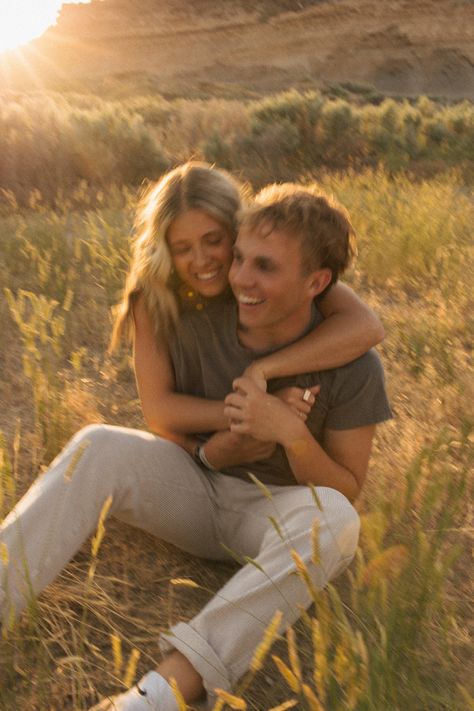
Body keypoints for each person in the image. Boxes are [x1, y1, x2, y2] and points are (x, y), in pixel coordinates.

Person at [0, 166, 388, 710]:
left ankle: (160, 694)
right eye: (237, 260)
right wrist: (229, 434)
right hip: (196, 485)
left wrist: (289, 432)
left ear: (315, 282)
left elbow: (346, 486)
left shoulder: (342, 347)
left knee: (336, 522)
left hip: (271, 513)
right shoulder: (183, 304)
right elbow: (161, 415)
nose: (232, 273)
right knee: (98, 444)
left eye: (223, 246)